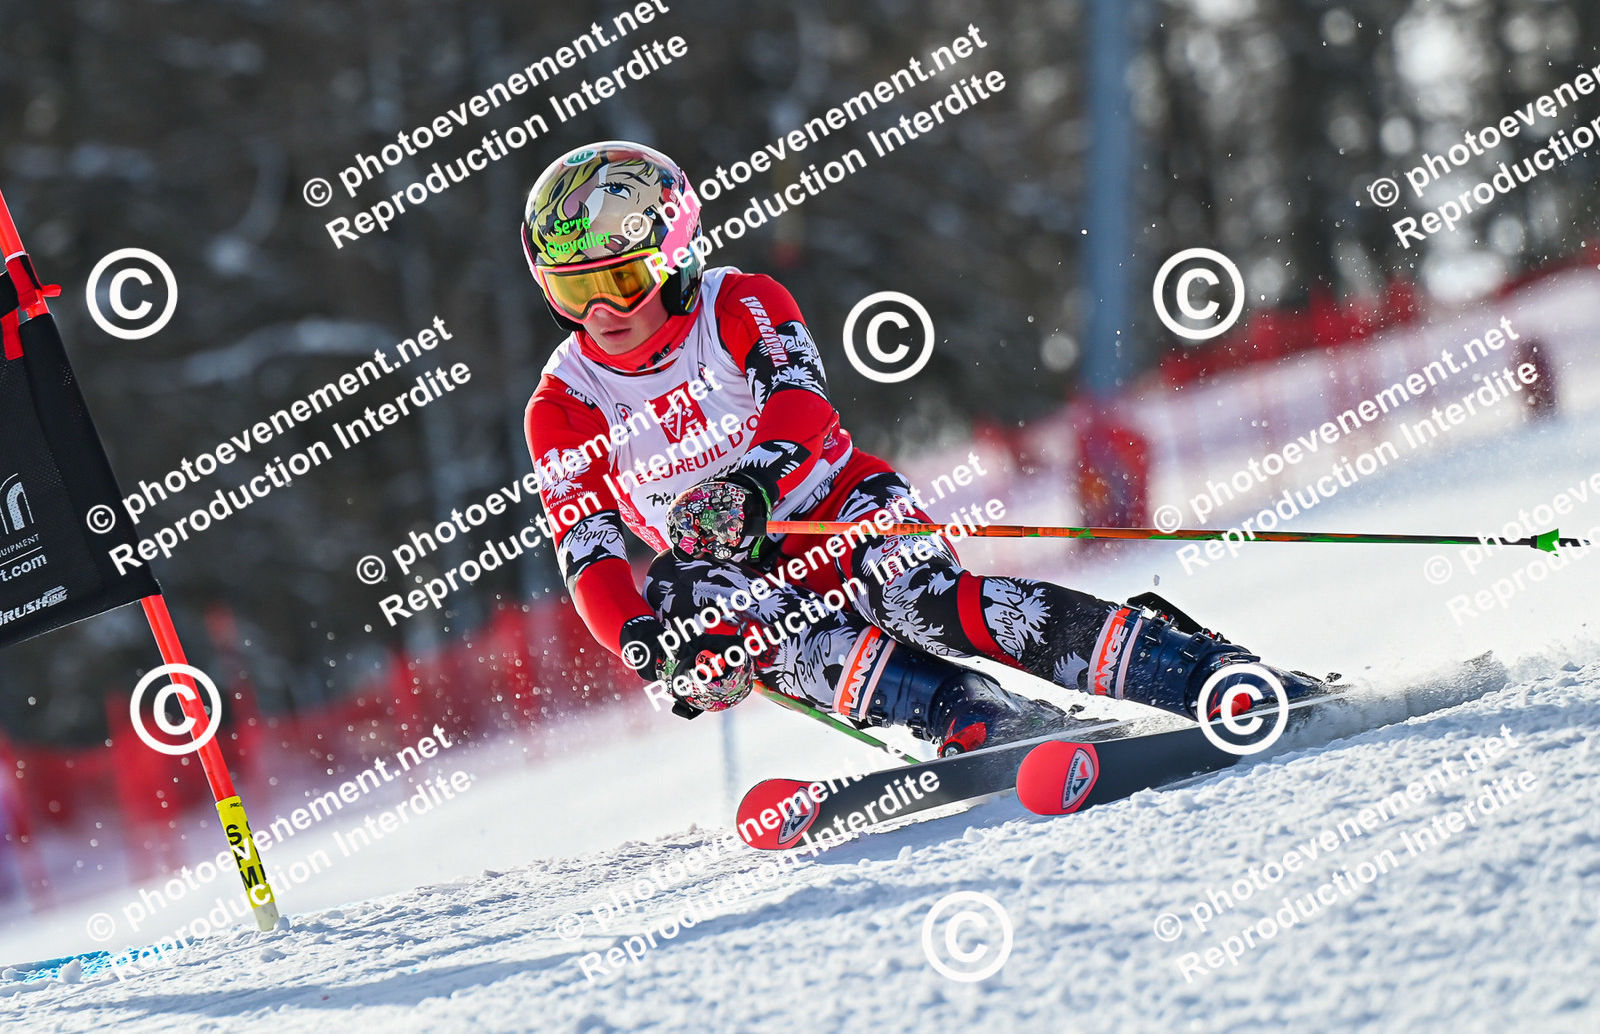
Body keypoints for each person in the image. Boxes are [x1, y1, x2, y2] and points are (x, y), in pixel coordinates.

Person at [522, 141, 1331, 756]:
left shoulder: (738, 302)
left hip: (836, 509)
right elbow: (588, 551)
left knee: (924, 602)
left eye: (620, 282)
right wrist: (652, 648)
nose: (602, 315)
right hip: (735, 572)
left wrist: (753, 485)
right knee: (684, 592)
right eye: (573, 291)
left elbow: (801, 402)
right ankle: (969, 713)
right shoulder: (564, 405)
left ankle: (1194, 670)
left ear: (675, 256)